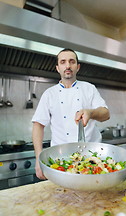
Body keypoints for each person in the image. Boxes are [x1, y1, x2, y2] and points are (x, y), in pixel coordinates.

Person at [32, 48, 110, 179]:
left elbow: (106, 114)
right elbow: (38, 125)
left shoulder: (89, 88)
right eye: (63, 62)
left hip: (91, 159)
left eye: (71, 61)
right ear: (57, 68)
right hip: (61, 160)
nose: (67, 66)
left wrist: (91, 112)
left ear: (78, 67)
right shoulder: (49, 94)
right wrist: (38, 158)